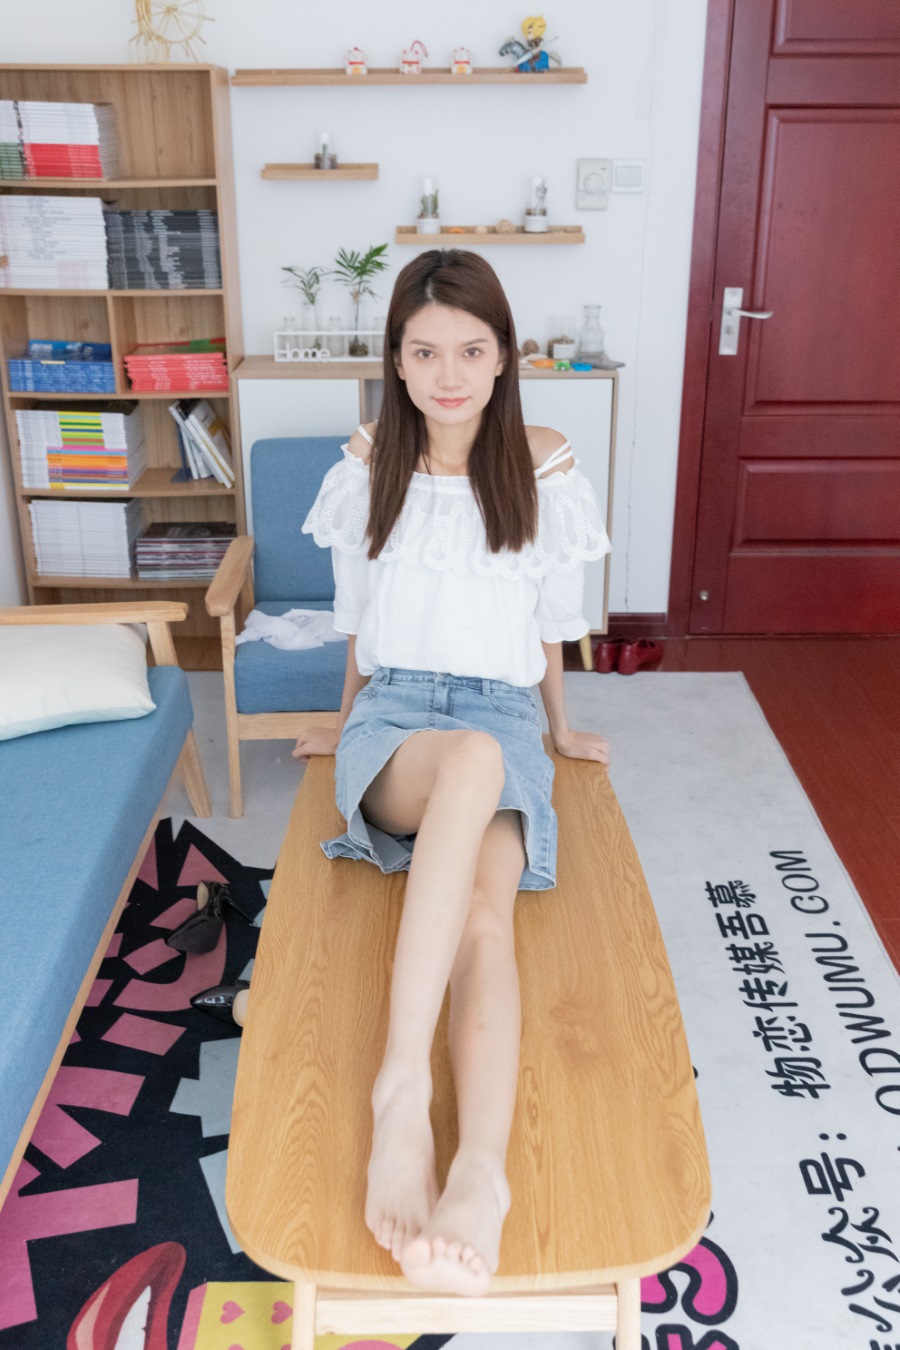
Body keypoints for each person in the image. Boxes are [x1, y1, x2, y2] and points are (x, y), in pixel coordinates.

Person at [292, 248, 611, 1298]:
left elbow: (552, 626)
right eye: (425, 351)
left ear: (504, 355)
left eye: (471, 349)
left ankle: (479, 1171)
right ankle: (399, 1098)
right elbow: (356, 623)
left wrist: (561, 731)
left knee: (487, 917)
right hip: (399, 722)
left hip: (504, 713)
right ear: (395, 358)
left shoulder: (546, 465)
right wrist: (341, 725)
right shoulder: (368, 461)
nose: (449, 373)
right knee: (470, 763)